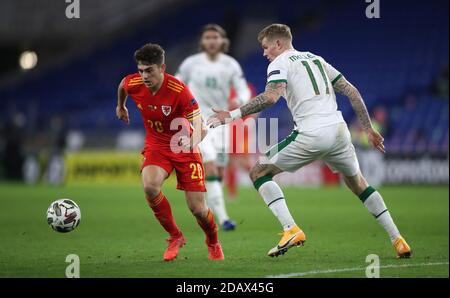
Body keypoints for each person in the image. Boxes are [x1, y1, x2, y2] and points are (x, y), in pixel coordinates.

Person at [208, 24, 411, 258]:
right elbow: (352, 92)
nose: (264, 53)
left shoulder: (279, 63)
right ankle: (398, 239)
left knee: (258, 172)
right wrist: (369, 129)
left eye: (265, 47)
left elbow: (271, 97)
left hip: (310, 133)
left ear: (278, 44)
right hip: (339, 132)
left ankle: (290, 229)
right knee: (359, 184)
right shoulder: (317, 59)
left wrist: (231, 115)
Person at [116, 43, 224, 261]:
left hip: (185, 148)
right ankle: (175, 236)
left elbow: (200, 127)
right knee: (149, 186)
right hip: (157, 145)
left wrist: (191, 142)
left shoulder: (179, 91)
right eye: (141, 70)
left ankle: (213, 241)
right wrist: (121, 106)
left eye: (150, 70)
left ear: (162, 68)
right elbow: (123, 86)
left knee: (198, 209)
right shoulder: (134, 82)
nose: (144, 75)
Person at [176, 24, 251, 231]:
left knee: (217, 171)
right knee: (209, 166)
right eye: (207, 37)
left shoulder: (231, 64)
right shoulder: (191, 63)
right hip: (197, 121)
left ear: (222, 41)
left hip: (221, 122)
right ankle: (224, 218)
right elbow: (176, 84)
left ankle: (210, 210)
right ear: (202, 42)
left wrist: (240, 99)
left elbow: (243, 90)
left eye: (214, 37)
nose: (211, 41)